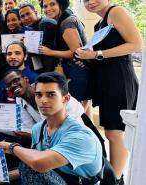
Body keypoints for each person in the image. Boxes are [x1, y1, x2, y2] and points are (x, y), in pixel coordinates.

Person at [75, 0, 143, 183]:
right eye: (86, 0)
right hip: (106, 80)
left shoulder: (116, 12)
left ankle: (115, 179)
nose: (91, 2)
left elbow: (136, 44)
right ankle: (113, 177)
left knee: (115, 132)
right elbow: (103, 53)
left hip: (119, 79)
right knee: (111, 132)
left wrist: (96, 54)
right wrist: (87, 59)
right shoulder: (100, 23)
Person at [0, 72, 102, 184]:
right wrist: (6, 176)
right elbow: (38, 162)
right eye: (39, 95)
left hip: (78, 182)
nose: (43, 100)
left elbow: (38, 163)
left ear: (65, 99)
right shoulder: (38, 129)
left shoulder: (80, 136)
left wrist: (12, 147)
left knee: (28, 165)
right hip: (58, 175)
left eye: (51, 94)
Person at [38, 0, 92, 118]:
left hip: (78, 71)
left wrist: (50, 52)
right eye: (45, 6)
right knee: (84, 114)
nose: (48, 8)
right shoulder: (65, 18)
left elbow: (77, 52)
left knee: (75, 113)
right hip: (79, 70)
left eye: (52, 4)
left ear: (61, 4)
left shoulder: (66, 22)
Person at [19, 3, 58, 72]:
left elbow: (48, 53)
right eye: (22, 16)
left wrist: (46, 76)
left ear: (35, 12)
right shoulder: (35, 27)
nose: (26, 18)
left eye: (28, 14)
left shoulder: (44, 24)